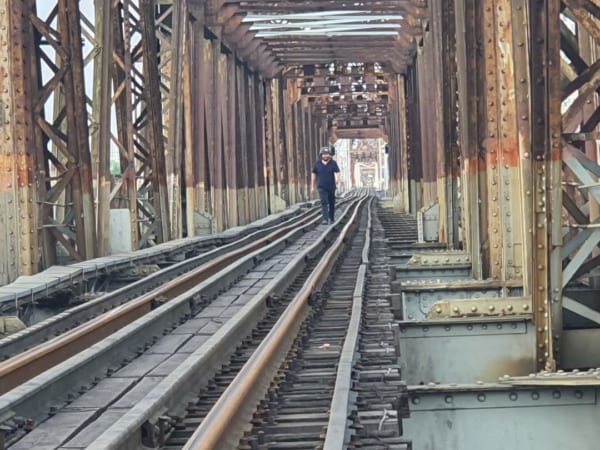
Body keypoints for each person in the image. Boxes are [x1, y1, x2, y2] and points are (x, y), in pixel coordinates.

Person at [311, 147, 340, 225]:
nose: (325, 156)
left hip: (331, 186)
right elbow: (313, 175)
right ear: (321, 155)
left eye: (327, 154)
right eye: (324, 154)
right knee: (324, 202)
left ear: (329, 155)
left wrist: (337, 180)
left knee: (331, 203)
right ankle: (325, 219)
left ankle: (332, 218)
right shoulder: (317, 164)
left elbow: (337, 172)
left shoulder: (333, 163)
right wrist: (312, 186)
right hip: (321, 187)